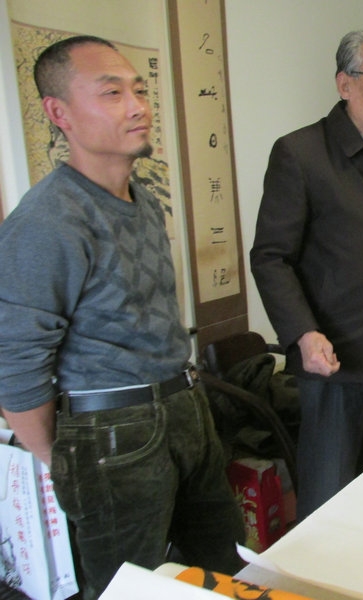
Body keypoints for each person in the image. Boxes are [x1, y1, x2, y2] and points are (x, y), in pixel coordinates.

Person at [0, 36, 244, 599]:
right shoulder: (47, 221)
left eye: (139, 90)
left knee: (225, 567)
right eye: (112, 93)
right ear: (58, 113)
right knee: (128, 587)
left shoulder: (144, 199)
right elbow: (15, 367)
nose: (137, 106)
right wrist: (64, 458)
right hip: (111, 430)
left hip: (184, 406)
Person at [250, 30, 363, 520]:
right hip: (336, 360)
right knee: (330, 500)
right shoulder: (300, 154)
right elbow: (270, 256)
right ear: (345, 85)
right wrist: (303, 333)